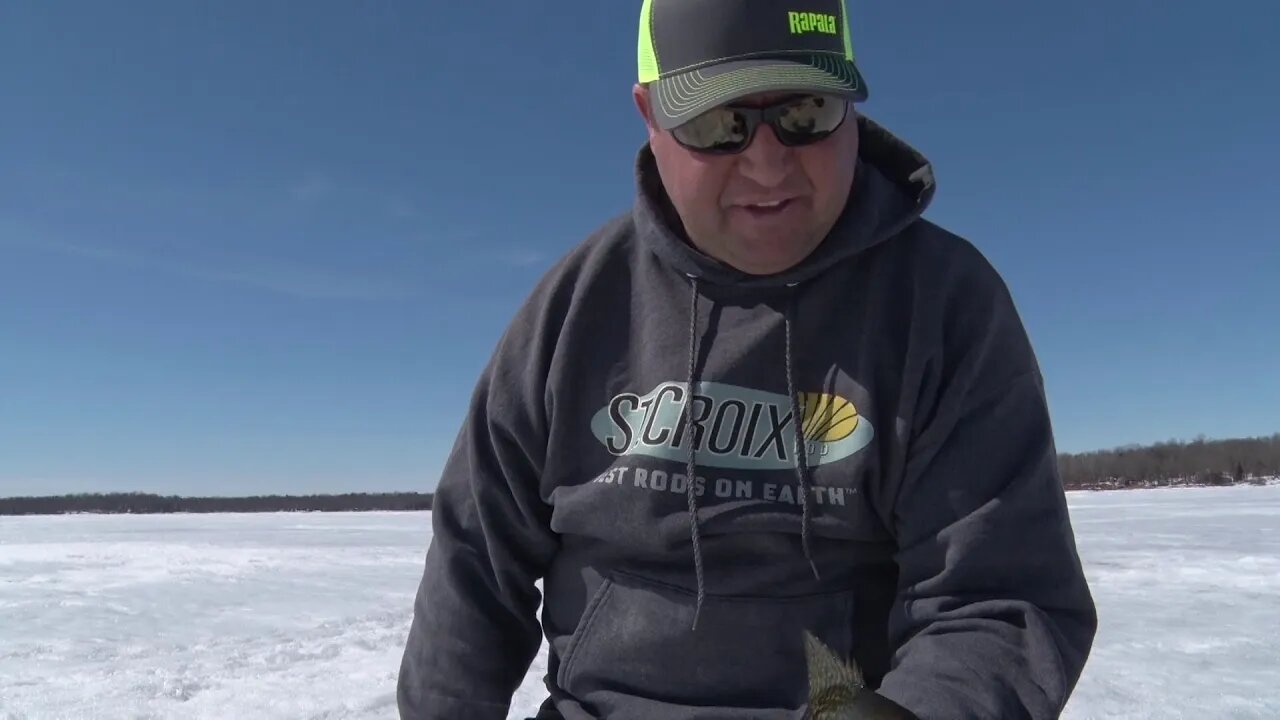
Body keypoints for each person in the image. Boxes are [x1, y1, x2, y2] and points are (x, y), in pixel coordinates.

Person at [397, 0, 1098, 718]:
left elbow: (999, 596)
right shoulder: (575, 309)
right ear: (650, 119)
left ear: (852, 102)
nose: (767, 163)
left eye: (806, 111)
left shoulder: (943, 307)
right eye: (716, 124)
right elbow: (473, 564)